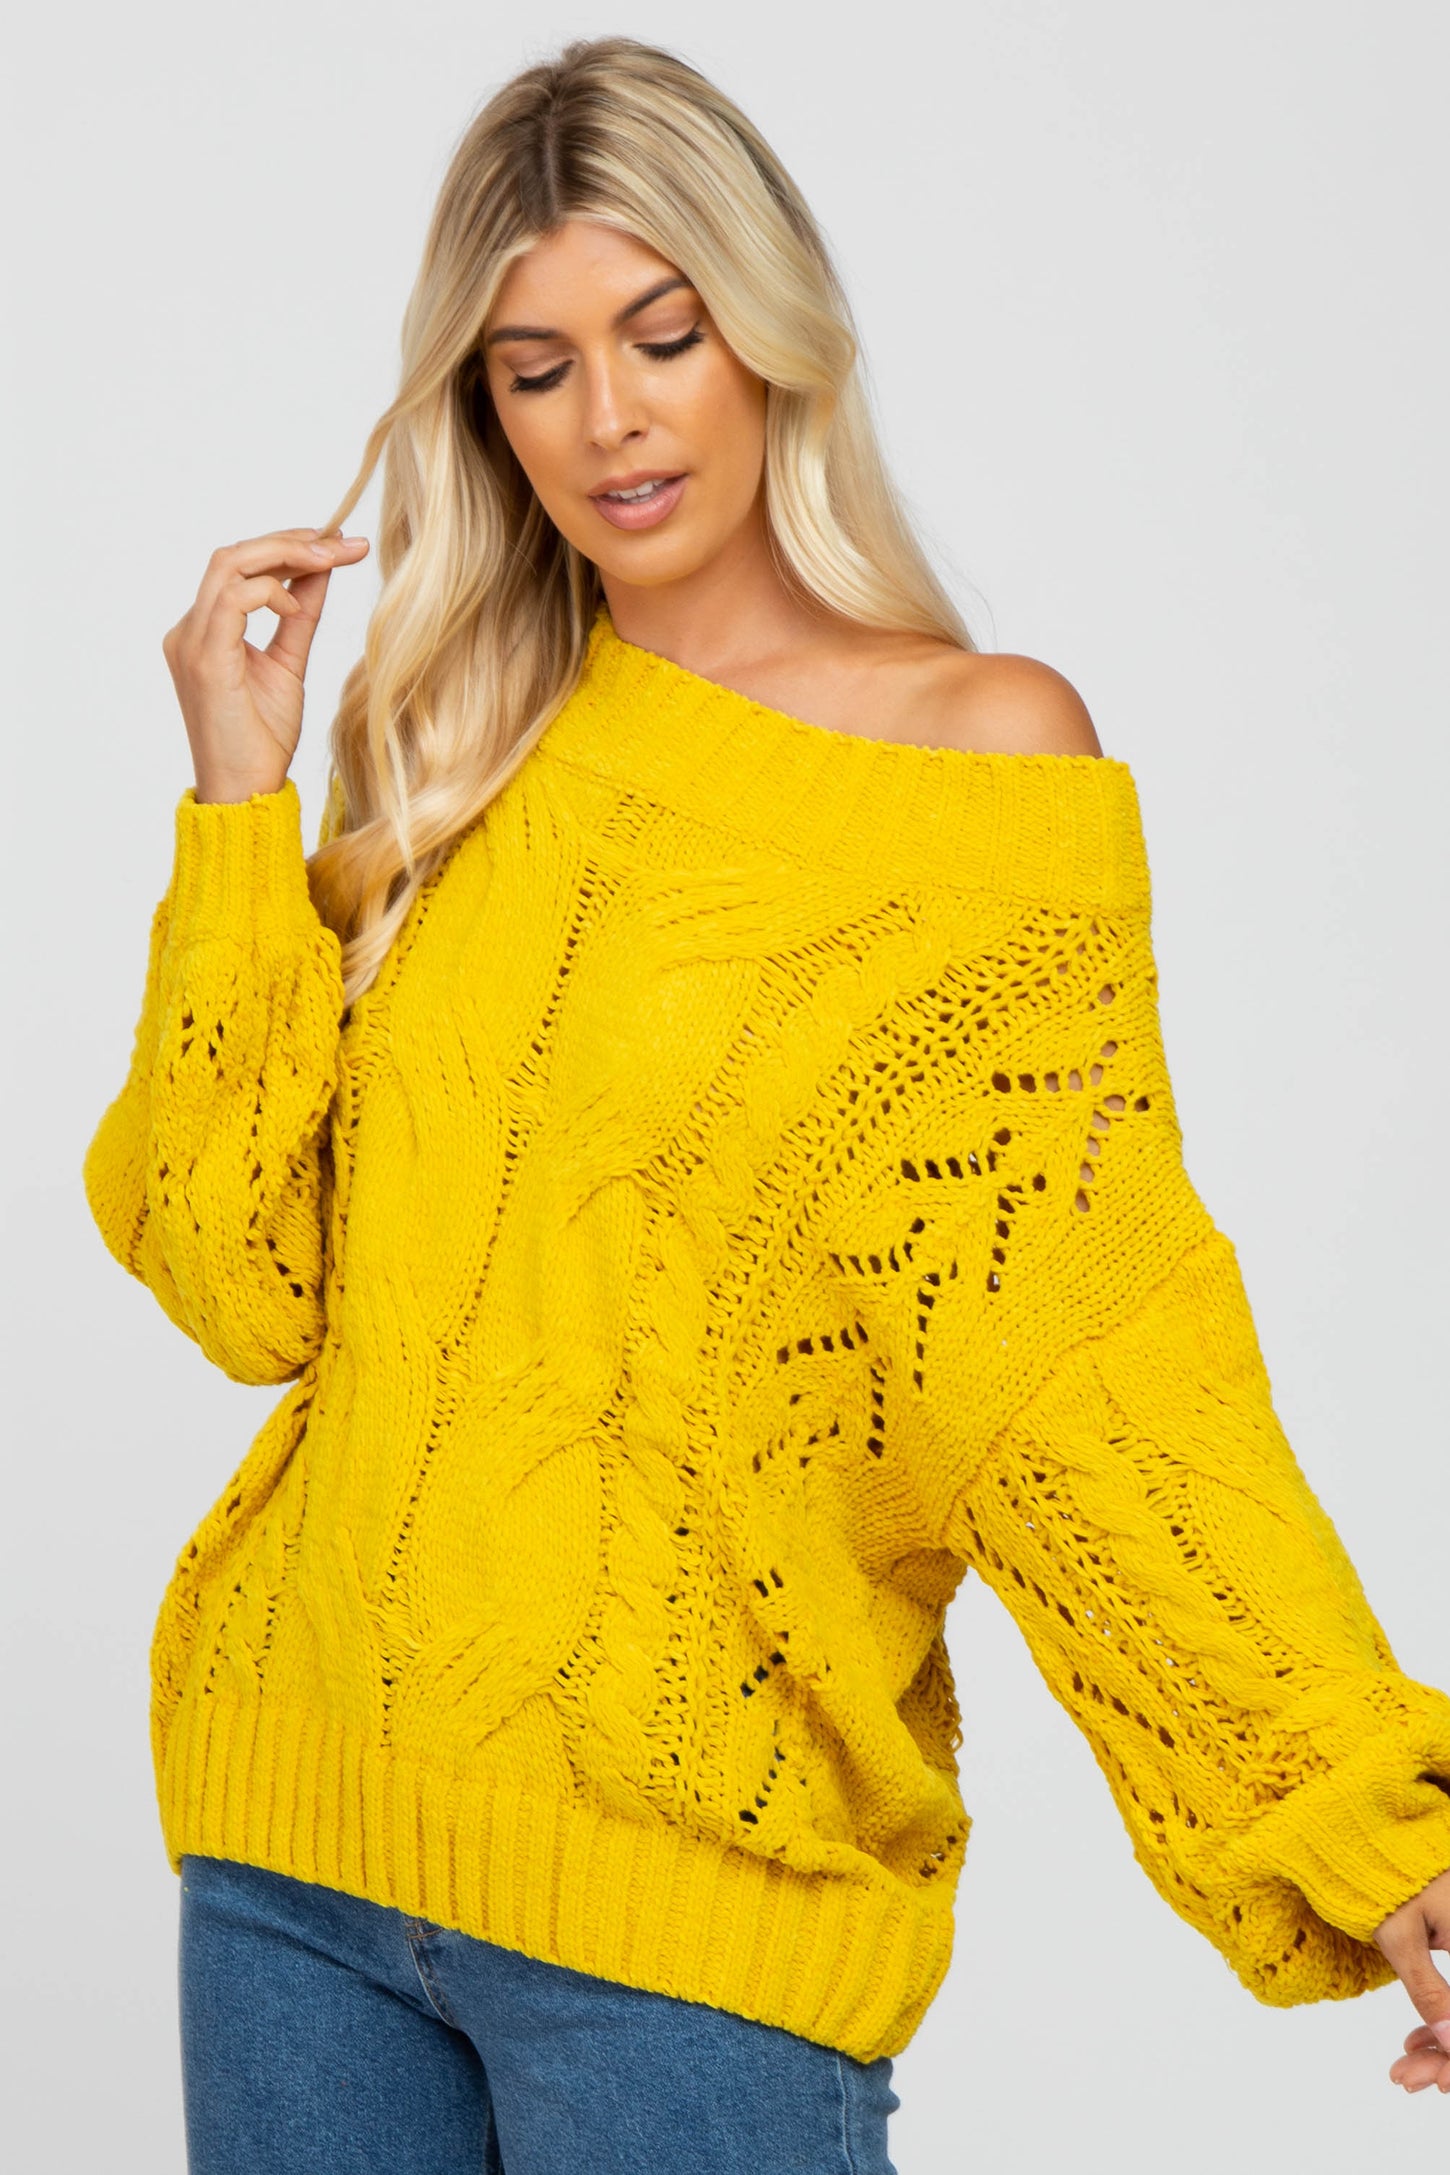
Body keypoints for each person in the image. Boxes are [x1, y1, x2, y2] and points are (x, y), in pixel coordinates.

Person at [82, 34, 1450, 2175]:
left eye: (663, 334)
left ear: (772, 336)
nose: (609, 418)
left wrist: (1362, 1821)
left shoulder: (976, 762)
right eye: (535, 368)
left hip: (689, 1928)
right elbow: (236, 1274)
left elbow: (1089, 1356)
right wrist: (238, 804)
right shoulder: (454, 739)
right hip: (291, 1857)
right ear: (482, 409)